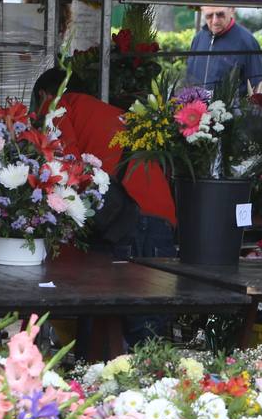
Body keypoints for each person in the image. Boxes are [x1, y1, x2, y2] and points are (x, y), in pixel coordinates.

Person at [32, 69, 177, 344]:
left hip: (130, 225)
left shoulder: (59, 106)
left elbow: (64, 165)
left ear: (43, 95)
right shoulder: (110, 113)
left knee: (103, 334)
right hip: (162, 225)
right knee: (148, 339)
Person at [183, 6, 262, 92]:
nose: (215, 21)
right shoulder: (198, 39)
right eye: (209, 16)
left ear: (232, 9)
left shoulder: (247, 42)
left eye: (220, 14)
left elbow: (257, 88)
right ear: (202, 11)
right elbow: (189, 79)